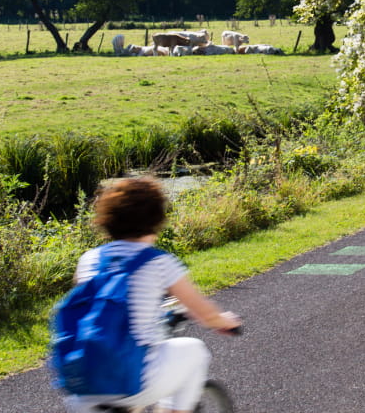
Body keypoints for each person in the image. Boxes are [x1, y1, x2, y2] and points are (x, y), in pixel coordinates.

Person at [64, 177, 241, 413]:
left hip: (82, 384)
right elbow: (205, 314)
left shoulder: (89, 260)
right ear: (156, 218)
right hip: (135, 379)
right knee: (195, 350)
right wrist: (225, 321)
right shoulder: (158, 262)